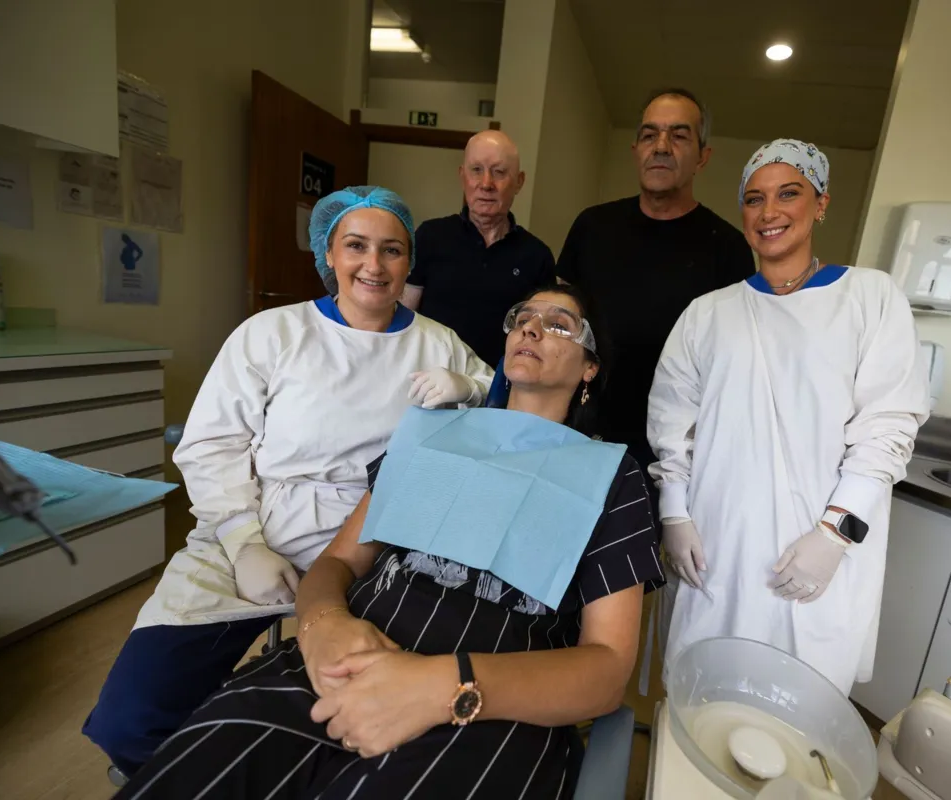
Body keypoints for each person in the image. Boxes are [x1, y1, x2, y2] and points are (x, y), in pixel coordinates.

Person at [112, 285, 664, 799]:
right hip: (346, 656)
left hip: (490, 706)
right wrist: (322, 624)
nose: (531, 328)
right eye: (523, 318)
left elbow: (607, 670)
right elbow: (339, 561)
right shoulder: (432, 436)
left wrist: (447, 684)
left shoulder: (612, 478)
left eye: (559, 324)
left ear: (591, 367)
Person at [83, 186, 495, 779]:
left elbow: (506, 414)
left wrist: (472, 389)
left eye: (392, 250)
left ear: (410, 261)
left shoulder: (438, 343)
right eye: (356, 246)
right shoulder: (272, 333)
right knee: (132, 720)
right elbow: (211, 443)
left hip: (375, 549)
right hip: (253, 526)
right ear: (328, 253)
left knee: (361, 723)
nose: (374, 265)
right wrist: (242, 540)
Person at [648, 140, 931, 695]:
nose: (769, 212)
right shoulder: (708, 314)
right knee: (705, 694)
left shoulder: (869, 298)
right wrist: (675, 514)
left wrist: (836, 532)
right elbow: (672, 422)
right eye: (754, 199)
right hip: (718, 542)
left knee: (800, 706)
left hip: (820, 545)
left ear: (820, 204)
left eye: (789, 194)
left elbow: (889, 426)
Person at [556, 88, 752, 472]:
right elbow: (561, 327)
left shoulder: (728, 248)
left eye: (679, 135)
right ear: (636, 150)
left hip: (673, 450)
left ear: (703, 156)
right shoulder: (592, 227)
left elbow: (732, 362)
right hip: (580, 432)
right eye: (650, 135)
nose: (661, 146)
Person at [403, 130, 556, 366]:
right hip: (428, 376)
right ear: (462, 176)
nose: (486, 184)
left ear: (519, 182)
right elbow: (403, 314)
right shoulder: (430, 236)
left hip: (500, 382)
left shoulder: (537, 256)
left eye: (499, 172)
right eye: (476, 170)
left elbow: (541, 336)